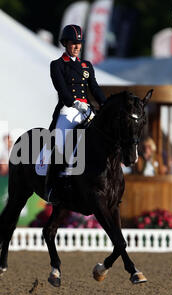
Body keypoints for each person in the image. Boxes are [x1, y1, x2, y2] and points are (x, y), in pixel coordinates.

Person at [45, 24, 107, 204]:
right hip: (68, 110)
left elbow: (94, 88)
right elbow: (62, 90)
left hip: (86, 110)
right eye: (73, 43)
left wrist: (105, 103)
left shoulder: (86, 65)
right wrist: (74, 103)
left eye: (79, 43)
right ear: (65, 43)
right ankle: (52, 186)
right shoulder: (57, 65)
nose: (77, 46)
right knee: (60, 143)